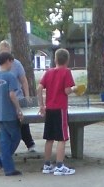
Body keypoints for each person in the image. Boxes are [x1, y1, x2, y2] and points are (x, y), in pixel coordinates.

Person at [0, 40, 37, 153]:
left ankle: (29, 143)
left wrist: (27, 95)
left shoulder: (17, 64)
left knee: (22, 121)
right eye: (2, 52)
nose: (5, 56)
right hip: (3, 100)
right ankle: (5, 152)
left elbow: (23, 80)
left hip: (17, 97)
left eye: (7, 52)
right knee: (6, 125)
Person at [38, 48, 77, 176]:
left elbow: (39, 88)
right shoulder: (66, 72)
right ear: (67, 60)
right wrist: (74, 89)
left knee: (49, 138)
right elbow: (66, 91)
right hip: (60, 109)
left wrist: (41, 105)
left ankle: (47, 165)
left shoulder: (48, 73)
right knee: (62, 138)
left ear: (55, 59)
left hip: (49, 108)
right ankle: (60, 166)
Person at [0, 52, 24, 177]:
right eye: (12, 62)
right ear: (8, 61)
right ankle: (3, 164)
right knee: (16, 137)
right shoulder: (10, 77)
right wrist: (18, 109)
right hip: (9, 112)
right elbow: (12, 95)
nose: (12, 65)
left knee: (4, 140)